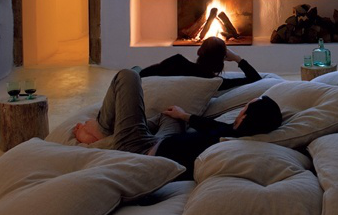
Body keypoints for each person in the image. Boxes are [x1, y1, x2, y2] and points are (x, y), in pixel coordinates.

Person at [73, 68, 282, 179]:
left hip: (142, 151)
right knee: (170, 114)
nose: (242, 107)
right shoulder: (234, 131)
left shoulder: (228, 143)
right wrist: (185, 116)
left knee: (128, 76)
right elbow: (211, 127)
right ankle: (123, 131)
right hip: (164, 140)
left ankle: (103, 131)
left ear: (244, 118)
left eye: (246, 106)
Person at [137, 36, 262, 90]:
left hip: (137, 85)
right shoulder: (216, 82)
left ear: (198, 52)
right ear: (223, 59)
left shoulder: (177, 61)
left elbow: (143, 73)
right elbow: (256, 79)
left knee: (136, 68)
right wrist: (237, 58)